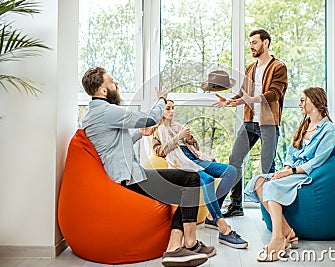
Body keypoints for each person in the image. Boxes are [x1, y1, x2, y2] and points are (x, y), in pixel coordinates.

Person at [80, 67, 214, 267]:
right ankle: (186, 245)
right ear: (102, 91)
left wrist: (139, 134)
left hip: (130, 176)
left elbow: (114, 145)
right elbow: (150, 118)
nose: (116, 85)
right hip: (128, 182)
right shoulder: (106, 111)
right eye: (112, 82)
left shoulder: (95, 114)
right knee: (191, 179)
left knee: (185, 184)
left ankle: (180, 247)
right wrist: (162, 99)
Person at [244, 87, 335, 262]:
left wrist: (290, 172)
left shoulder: (329, 131)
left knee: (271, 185)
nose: (299, 103)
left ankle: (278, 238)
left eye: (303, 100)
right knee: (259, 181)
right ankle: (289, 232)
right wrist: (284, 170)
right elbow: (291, 152)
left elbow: (317, 162)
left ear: (315, 102)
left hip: (308, 175)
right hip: (292, 171)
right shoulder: (304, 125)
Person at [151, 99, 248, 249]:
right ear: (160, 112)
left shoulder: (179, 127)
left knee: (231, 171)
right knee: (208, 180)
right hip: (182, 165)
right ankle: (222, 226)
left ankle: (211, 216)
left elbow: (195, 147)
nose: (171, 111)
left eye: (173, 108)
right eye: (167, 108)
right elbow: (159, 151)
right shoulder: (158, 131)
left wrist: (189, 138)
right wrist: (177, 137)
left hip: (196, 159)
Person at [213, 29, 288, 217]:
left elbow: (275, 93)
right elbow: (244, 93)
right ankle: (236, 205)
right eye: (250, 43)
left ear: (266, 43)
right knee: (234, 161)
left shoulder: (278, 67)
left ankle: (270, 211)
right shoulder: (250, 68)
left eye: (254, 42)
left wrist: (252, 99)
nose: (251, 46)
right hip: (249, 122)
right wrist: (231, 101)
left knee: (267, 167)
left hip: (268, 123)